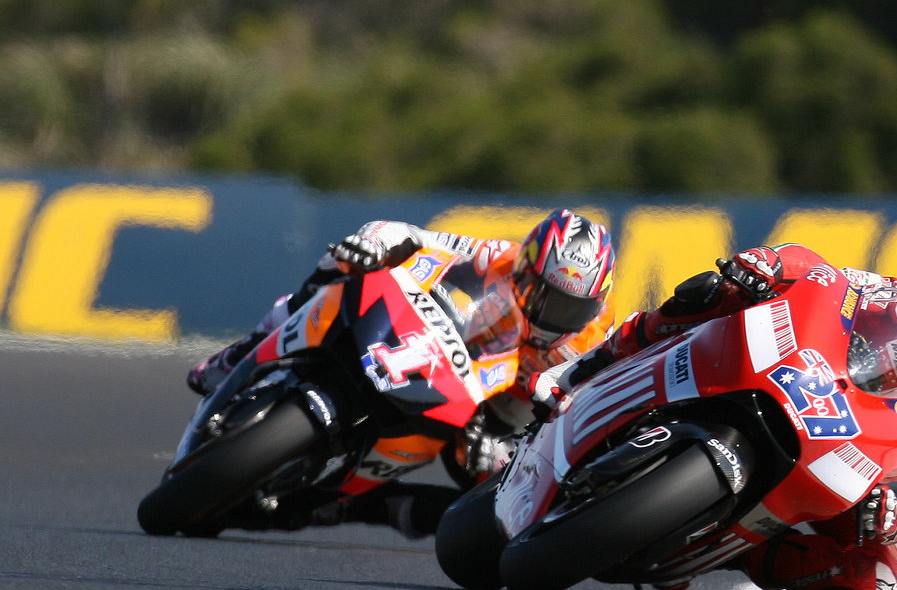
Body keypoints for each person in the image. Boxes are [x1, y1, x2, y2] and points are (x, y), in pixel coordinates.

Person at [533, 243, 897, 590]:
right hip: (818, 387)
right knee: (717, 290)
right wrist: (770, 266)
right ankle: (596, 363)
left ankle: (732, 546)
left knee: (869, 581)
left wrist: (896, 522)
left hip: (856, 470)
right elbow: (827, 277)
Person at [183, 208, 617, 536]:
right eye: (545, 296)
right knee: (341, 266)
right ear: (526, 268)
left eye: (569, 308)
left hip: (499, 419)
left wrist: (512, 454)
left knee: (487, 507)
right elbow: (412, 235)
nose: (552, 315)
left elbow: (571, 424)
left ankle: (346, 504)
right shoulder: (496, 257)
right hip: (442, 355)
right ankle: (245, 348)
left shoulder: (592, 343)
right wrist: (374, 245)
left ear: (594, 305)